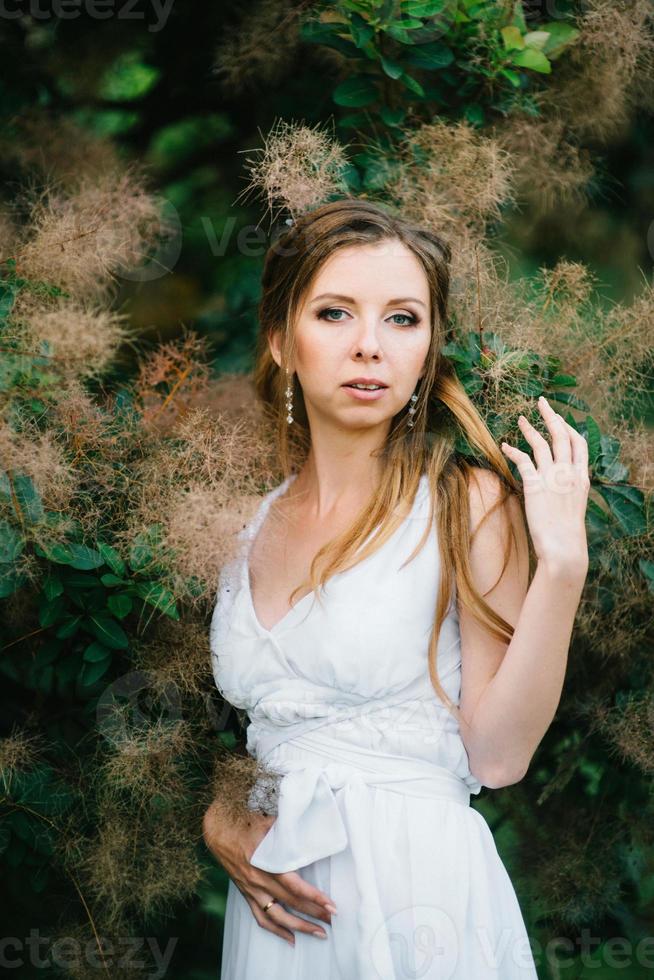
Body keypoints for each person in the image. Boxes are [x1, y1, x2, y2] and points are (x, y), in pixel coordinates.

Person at [203, 198, 590, 979]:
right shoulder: (242, 526)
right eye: (336, 313)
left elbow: (501, 755)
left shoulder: (465, 502)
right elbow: (272, 730)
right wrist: (220, 815)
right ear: (282, 342)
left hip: (416, 894)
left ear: (427, 349)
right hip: (282, 922)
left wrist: (562, 568)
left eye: (403, 319)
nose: (369, 346)